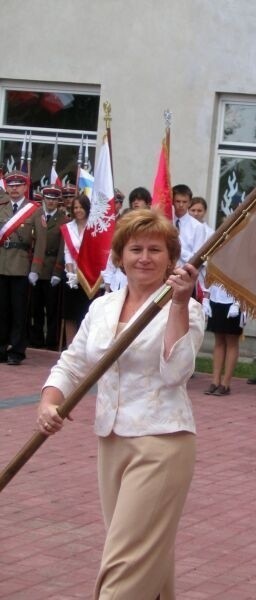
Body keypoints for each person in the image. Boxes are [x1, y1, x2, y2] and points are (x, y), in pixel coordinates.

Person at [37, 208, 204, 599]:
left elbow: (177, 371)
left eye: (155, 250)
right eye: (135, 249)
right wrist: (49, 401)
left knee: (126, 562)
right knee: (146, 556)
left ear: (172, 259)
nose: (144, 257)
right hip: (111, 441)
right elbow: (74, 361)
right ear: (119, 257)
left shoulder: (186, 308)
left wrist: (178, 304)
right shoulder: (102, 307)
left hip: (162, 442)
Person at [0, 170, 46, 365]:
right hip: (2, 264)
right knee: (1, 310)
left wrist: (35, 269)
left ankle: (17, 351)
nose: (14, 189)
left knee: (19, 311)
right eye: (11, 186)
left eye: (18, 185)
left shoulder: (34, 210)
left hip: (21, 266)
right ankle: (1, 348)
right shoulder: (1, 209)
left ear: (26, 187)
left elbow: (41, 242)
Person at [29, 184, 67, 350]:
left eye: (54, 199)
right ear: (43, 199)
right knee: (35, 308)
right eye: (48, 198)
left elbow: (62, 247)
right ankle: (36, 340)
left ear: (58, 201)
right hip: (36, 267)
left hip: (52, 266)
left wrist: (58, 271)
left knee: (52, 309)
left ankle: (51, 341)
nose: (51, 202)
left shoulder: (63, 219)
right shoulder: (36, 215)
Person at [60, 194, 92, 345]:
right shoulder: (69, 227)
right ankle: (70, 346)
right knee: (70, 313)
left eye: (81, 207)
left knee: (86, 313)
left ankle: (84, 346)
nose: (78, 210)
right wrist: (70, 273)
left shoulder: (93, 227)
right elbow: (67, 252)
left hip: (89, 276)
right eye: (76, 207)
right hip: (72, 276)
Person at [203, 285, 244, 396]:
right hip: (216, 299)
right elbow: (209, 278)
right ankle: (215, 381)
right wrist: (206, 299)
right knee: (219, 341)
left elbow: (245, 281)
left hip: (233, 301)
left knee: (231, 342)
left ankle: (226, 383)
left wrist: (238, 303)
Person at [172, 184, 205, 266]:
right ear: (172, 201)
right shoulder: (166, 222)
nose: (181, 205)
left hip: (185, 273)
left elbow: (197, 257)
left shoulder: (198, 227)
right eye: (178, 201)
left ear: (190, 203)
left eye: (184, 202)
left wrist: (177, 249)